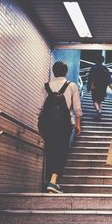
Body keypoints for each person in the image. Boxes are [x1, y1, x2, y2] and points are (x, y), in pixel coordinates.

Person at [42, 61, 82, 193]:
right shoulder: (71, 86)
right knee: (61, 151)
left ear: (54, 72)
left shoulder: (46, 86)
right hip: (65, 124)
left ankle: (50, 181)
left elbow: (41, 108)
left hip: (48, 124)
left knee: (50, 150)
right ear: (66, 72)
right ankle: (53, 181)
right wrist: (78, 124)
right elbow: (77, 108)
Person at [87, 54, 112, 120]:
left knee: (94, 100)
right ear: (103, 61)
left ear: (96, 60)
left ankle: (98, 110)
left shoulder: (93, 68)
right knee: (100, 101)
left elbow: (90, 78)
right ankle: (100, 112)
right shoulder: (105, 68)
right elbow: (109, 78)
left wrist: (89, 87)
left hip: (95, 87)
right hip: (103, 88)